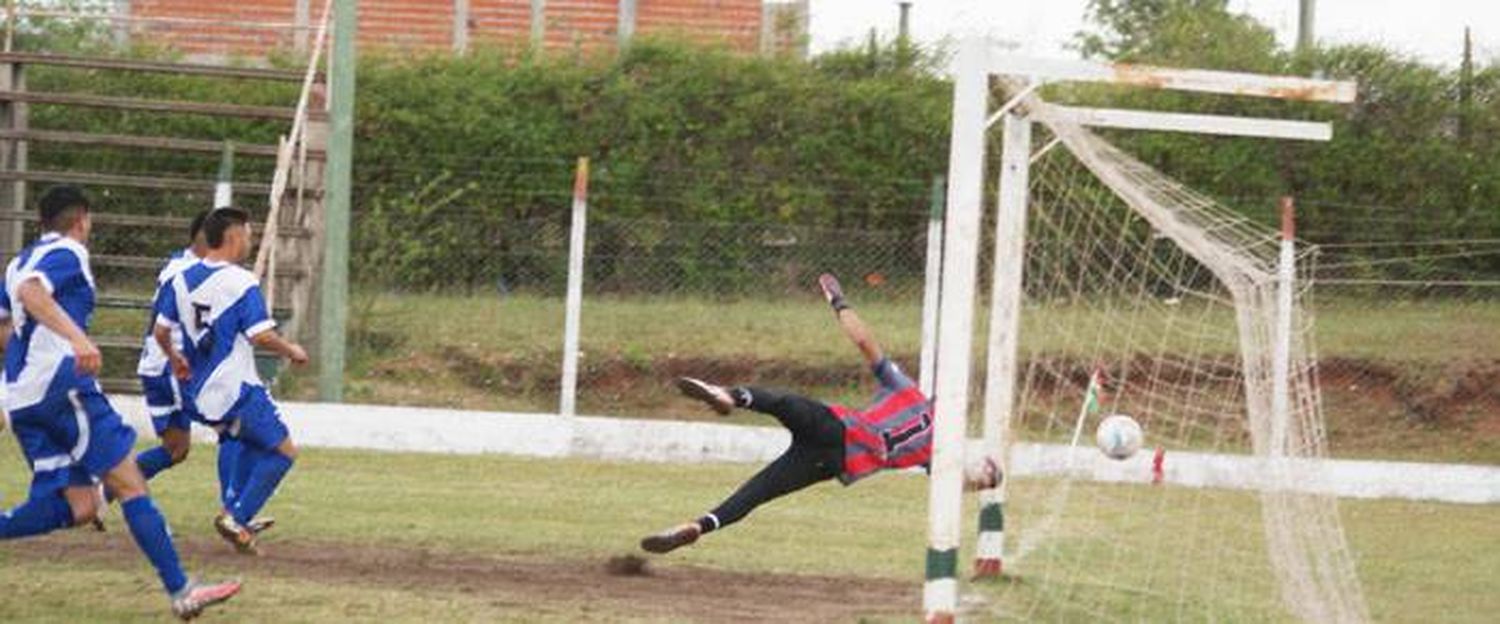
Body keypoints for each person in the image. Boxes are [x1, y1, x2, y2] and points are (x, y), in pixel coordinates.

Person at [0, 186, 241, 619]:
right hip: (63, 388)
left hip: (23, 397)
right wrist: (77, 340)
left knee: (81, 506)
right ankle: (182, 590)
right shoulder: (69, 253)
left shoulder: (16, 262)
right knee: (129, 482)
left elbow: (4, 325)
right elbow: (33, 294)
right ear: (82, 221)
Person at [640, 274, 998, 554]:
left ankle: (728, 396)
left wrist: (839, 302)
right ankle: (700, 525)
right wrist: (986, 478)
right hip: (834, 463)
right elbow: (954, 483)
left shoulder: (909, 392)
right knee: (761, 490)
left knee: (782, 402)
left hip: (839, 427)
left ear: (938, 399)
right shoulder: (934, 452)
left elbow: (864, 342)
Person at [153, 207, 308, 555]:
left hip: (199, 393)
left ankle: (235, 511)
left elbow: (161, 329)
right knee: (283, 453)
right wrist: (291, 349)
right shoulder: (241, 282)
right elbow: (260, 336)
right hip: (236, 390)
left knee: (242, 441)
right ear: (234, 236)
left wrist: (175, 358)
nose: (250, 241)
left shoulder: (179, 278)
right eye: (249, 234)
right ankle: (236, 517)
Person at [129, 210, 269, 535]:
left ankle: (101, 490)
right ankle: (233, 514)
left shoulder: (180, 266)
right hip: (173, 366)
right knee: (234, 428)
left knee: (176, 450)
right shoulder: (189, 271)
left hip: (165, 365)